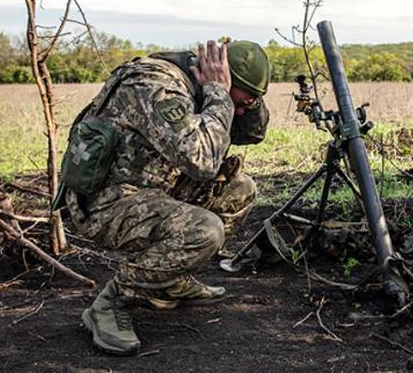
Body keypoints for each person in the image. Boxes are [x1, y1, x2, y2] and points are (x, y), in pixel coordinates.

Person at [65, 39, 270, 355]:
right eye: (238, 102)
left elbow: (251, 134)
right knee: (204, 230)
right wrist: (218, 93)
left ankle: (170, 279)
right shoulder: (156, 84)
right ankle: (111, 303)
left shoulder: (203, 86)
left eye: (246, 105)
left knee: (239, 190)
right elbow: (202, 160)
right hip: (106, 202)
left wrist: (243, 102)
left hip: (151, 188)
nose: (239, 111)